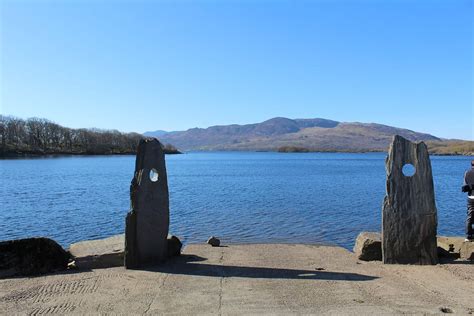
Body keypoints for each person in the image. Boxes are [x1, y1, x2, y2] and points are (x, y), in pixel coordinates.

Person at [462, 160, 474, 242]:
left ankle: (468, 236)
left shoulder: (467, 172)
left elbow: (464, 186)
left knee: (470, 216)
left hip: (471, 197)